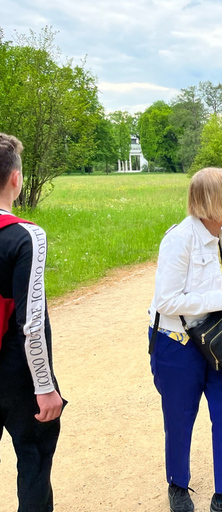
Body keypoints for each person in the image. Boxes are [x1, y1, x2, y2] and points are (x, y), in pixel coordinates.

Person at [148, 167, 222, 512]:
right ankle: (178, 487)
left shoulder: (221, 233)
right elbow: (166, 301)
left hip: (218, 337)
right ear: (213, 199)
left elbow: (219, 285)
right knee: (180, 417)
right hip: (178, 343)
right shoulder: (179, 239)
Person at [0, 133, 64, 512]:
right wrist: (45, 386)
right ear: (15, 179)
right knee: (34, 460)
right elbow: (31, 321)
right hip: (16, 374)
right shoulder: (26, 236)